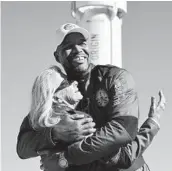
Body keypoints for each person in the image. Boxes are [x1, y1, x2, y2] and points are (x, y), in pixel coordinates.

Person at [17, 23, 166, 171]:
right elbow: (23, 146)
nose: (77, 50)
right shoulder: (57, 92)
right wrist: (55, 133)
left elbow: (123, 131)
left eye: (82, 43)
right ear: (57, 55)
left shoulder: (115, 78)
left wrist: (65, 158)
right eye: (68, 46)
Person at [28, 64, 165, 171]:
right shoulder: (78, 123)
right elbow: (125, 157)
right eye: (66, 83)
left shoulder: (42, 128)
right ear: (56, 97)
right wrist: (152, 123)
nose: (74, 83)